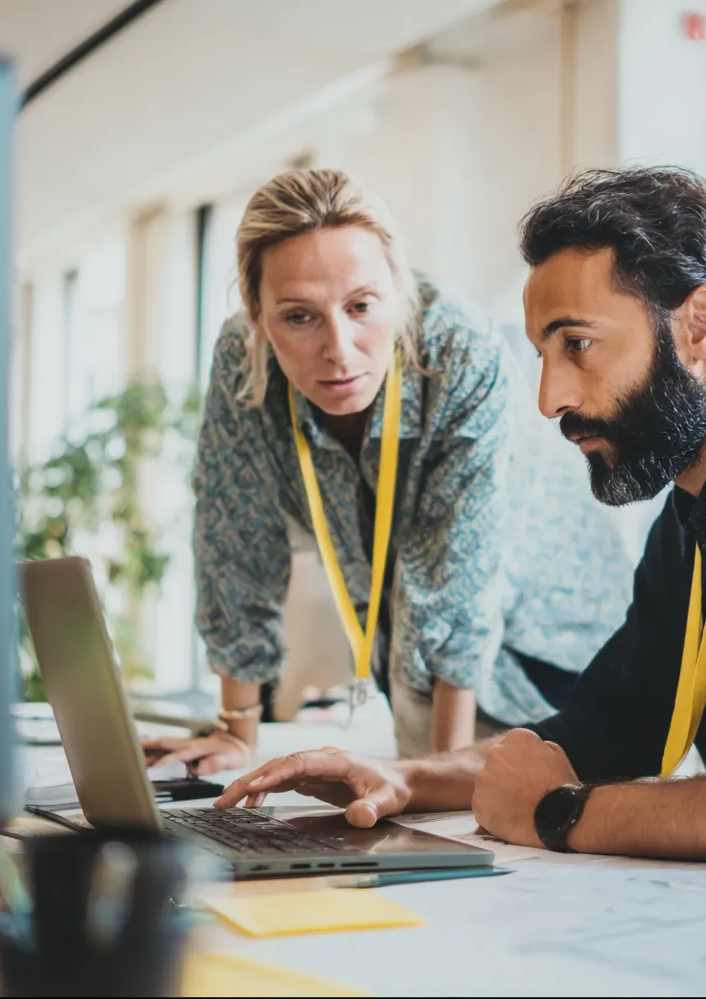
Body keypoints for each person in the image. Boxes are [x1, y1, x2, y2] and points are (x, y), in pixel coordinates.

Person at [215, 167, 706, 883]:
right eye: (544, 353)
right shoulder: (692, 523)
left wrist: (559, 813)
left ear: (700, 325)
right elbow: (603, 730)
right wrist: (403, 779)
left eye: (577, 345)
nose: (549, 398)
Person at [143, 169, 631, 771]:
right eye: (299, 317)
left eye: (361, 306)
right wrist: (234, 731)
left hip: (558, 659)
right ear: (255, 313)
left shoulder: (458, 348)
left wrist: (432, 779)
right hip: (418, 668)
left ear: (398, 287)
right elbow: (232, 541)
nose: (339, 349)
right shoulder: (243, 363)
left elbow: (459, 577)